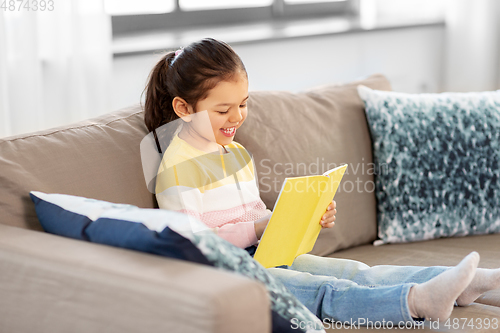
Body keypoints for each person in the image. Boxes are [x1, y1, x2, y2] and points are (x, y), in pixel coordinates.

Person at [143, 38, 500, 326]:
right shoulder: (175, 168)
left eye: (244, 104)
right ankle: (416, 302)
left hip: (267, 256)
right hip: (229, 274)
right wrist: (261, 226)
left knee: (355, 271)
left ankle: (465, 283)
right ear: (184, 109)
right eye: (224, 110)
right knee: (325, 290)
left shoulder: (235, 153)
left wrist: (296, 218)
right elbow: (194, 243)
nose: (237, 117)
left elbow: (255, 214)